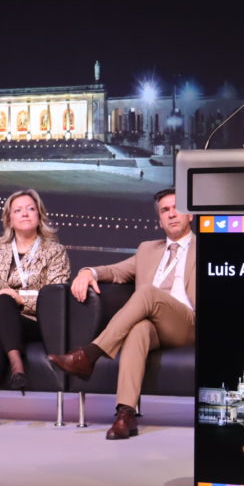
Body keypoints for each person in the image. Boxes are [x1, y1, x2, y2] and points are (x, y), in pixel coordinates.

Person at [48, 188, 194, 440]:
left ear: (190, 214)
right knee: (138, 330)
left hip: (187, 323)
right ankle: (126, 414)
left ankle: (89, 355)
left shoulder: (208, 245)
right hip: (154, 325)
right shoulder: (148, 249)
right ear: (159, 220)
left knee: (147, 292)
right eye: (165, 210)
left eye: (176, 208)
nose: (171, 215)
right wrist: (88, 272)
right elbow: (114, 271)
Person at [0, 189, 70, 428]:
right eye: (18, 210)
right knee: (0, 306)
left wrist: (19, 298)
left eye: (30, 208)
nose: (25, 213)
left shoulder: (54, 251)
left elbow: (55, 296)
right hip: (2, 317)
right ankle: (16, 363)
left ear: (40, 215)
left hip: (36, 322)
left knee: (2, 309)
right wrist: (3, 297)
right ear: (9, 219)